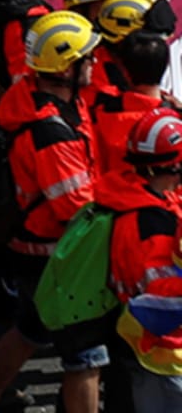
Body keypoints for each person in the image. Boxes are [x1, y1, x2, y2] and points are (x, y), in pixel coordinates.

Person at [0, 11, 105, 413]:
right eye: (87, 57)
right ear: (64, 66)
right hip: (58, 254)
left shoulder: (39, 100)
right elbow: (74, 208)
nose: (94, 63)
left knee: (29, 331)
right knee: (87, 358)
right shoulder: (50, 130)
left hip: (36, 249)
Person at [98, 106, 182, 410]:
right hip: (161, 353)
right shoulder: (152, 223)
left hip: (136, 340)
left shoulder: (132, 196)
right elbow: (163, 297)